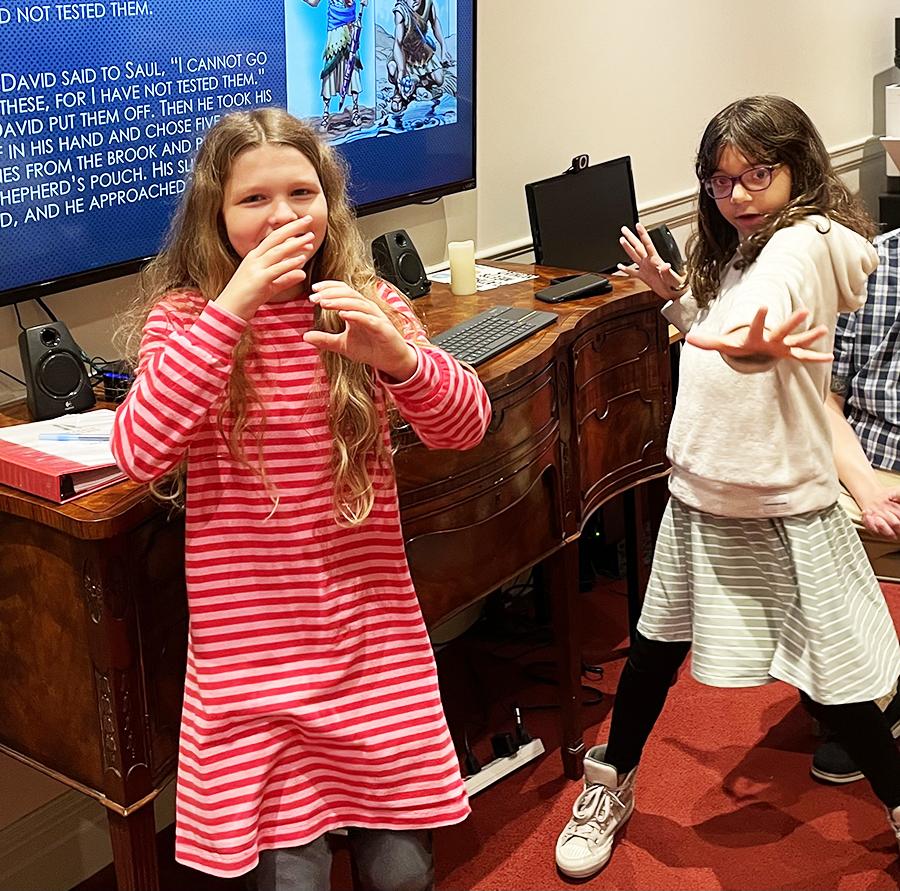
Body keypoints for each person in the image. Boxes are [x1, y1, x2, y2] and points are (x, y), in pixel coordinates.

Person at [110, 107, 491, 890]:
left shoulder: (364, 297)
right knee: (292, 879)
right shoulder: (186, 318)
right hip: (253, 666)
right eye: (254, 199)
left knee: (401, 873)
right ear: (216, 214)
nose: (283, 215)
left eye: (301, 193)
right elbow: (140, 449)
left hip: (372, 644)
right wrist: (233, 307)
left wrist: (400, 359)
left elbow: (465, 425)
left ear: (329, 201)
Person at [553, 95, 900, 880]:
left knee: (835, 681)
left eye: (756, 175)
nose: (736, 195)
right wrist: (680, 300)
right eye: (720, 180)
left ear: (798, 169)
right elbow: (737, 331)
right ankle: (611, 785)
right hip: (704, 499)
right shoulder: (751, 245)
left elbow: (753, 337)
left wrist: (730, 338)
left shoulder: (801, 244)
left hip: (780, 508)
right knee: (652, 655)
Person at [811, 228, 900, 784]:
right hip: (865, 464)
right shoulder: (871, 265)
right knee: (797, 528)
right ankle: (865, 694)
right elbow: (826, 397)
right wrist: (866, 489)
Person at [302, 0, 367, 131]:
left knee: (353, 67)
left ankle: (355, 110)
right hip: (335, 30)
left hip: (351, 27)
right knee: (330, 69)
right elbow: (314, 2)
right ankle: (326, 114)